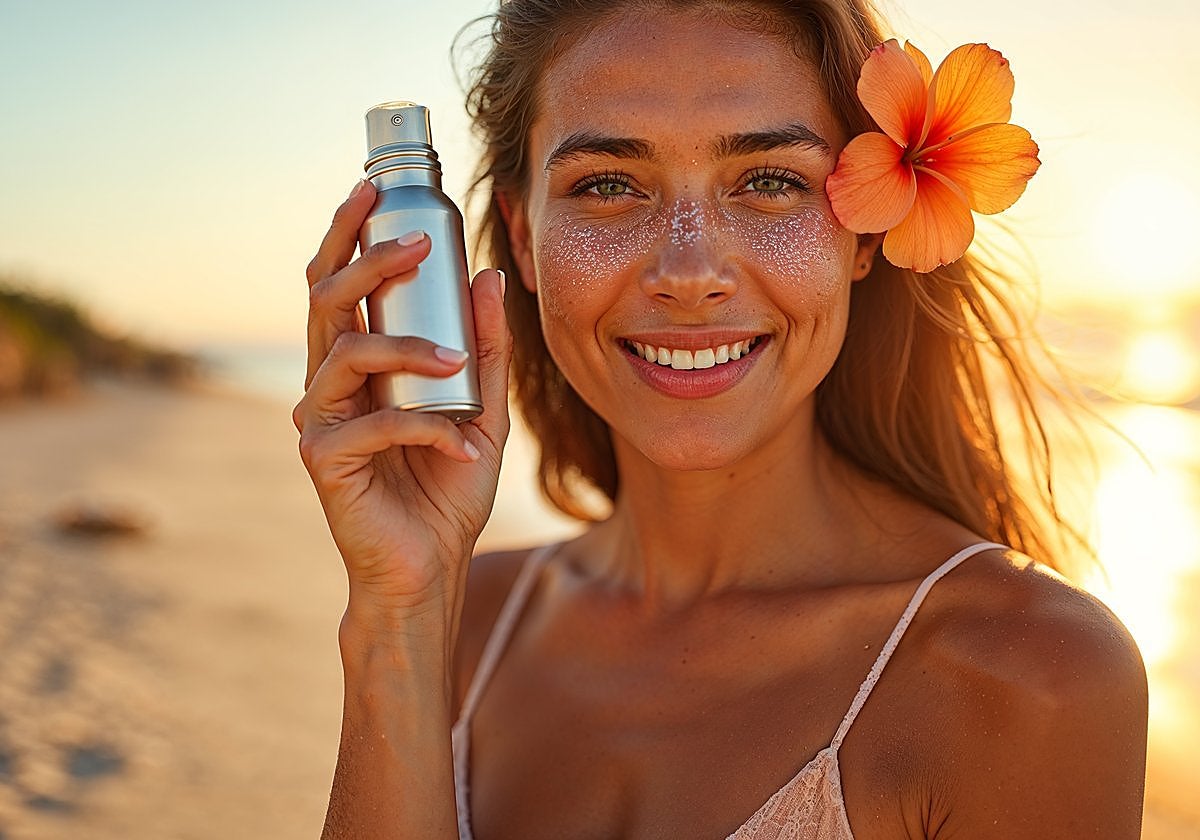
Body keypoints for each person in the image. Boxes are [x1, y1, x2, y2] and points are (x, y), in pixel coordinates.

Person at [293, 0, 1149, 837]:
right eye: (608, 185)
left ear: (864, 231)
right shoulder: (457, 620)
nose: (689, 271)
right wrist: (399, 619)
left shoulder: (1025, 674)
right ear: (522, 235)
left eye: (770, 181)